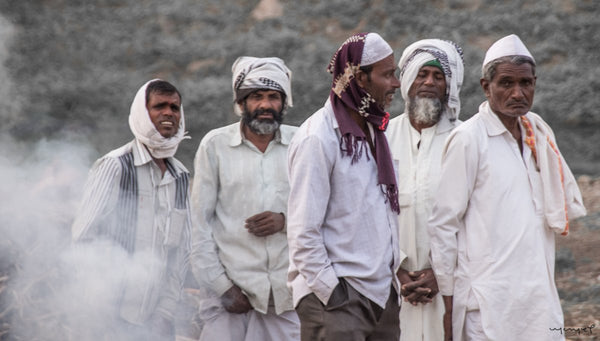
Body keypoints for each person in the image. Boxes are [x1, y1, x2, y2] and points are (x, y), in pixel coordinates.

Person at [428, 34, 587, 340]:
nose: (518, 93)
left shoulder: (538, 133)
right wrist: (448, 303)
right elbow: (443, 225)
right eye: (506, 83)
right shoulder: (469, 139)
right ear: (486, 87)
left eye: (525, 83)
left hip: (538, 297)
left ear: (535, 83)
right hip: (488, 302)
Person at [287, 32, 403, 341]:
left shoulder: (375, 131)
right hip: (339, 301)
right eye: (388, 75)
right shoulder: (318, 138)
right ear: (360, 79)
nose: (396, 84)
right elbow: (302, 232)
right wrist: (333, 295)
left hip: (380, 297)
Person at [72, 79, 192, 340]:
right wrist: (98, 309)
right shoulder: (115, 166)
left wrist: (165, 313)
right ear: (142, 112)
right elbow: (84, 238)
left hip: (154, 320)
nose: (169, 113)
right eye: (159, 106)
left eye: (174, 107)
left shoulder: (181, 176)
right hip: (108, 317)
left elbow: (181, 252)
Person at [190, 56, 300, 341]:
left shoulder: (302, 143)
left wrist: (285, 221)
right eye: (256, 97)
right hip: (228, 300)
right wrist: (221, 287)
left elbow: (325, 212)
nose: (265, 105)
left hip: (286, 300)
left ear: (284, 101)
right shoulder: (215, 146)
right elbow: (198, 225)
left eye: (273, 96)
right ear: (241, 103)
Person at [386, 39, 464, 341]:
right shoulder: (381, 138)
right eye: (421, 74)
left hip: (451, 287)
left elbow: (474, 217)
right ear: (407, 80)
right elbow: (367, 212)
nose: (429, 83)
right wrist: (397, 270)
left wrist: (440, 273)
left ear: (449, 85)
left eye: (438, 76)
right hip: (392, 285)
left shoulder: (465, 139)